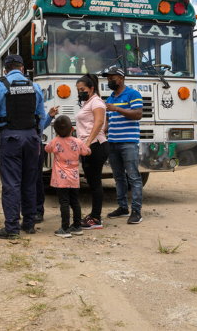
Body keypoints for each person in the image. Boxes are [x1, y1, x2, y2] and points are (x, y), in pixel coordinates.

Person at [0, 54, 46, 239]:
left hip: (10, 139)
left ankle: (11, 228)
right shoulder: (35, 87)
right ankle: (29, 223)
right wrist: (37, 137)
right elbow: (41, 116)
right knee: (30, 181)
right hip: (31, 139)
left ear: (5, 70)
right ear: (23, 69)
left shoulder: (0, 86)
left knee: (11, 183)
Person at [102, 66, 144, 224]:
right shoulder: (110, 98)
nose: (109, 81)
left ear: (121, 78)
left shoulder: (133, 94)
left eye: (112, 78)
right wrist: (101, 133)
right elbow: (108, 122)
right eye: (108, 79)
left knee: (133, 177)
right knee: (118, 177)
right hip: (112, 143)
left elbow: (138, 114)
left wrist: (117, 108)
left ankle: (136, 211)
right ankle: (122, 207)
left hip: (128, 142)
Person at [45, 115, 91, 238]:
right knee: (75, 202)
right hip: (74, 178)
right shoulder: (78, 142)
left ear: (55, 131)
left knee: (64, 203)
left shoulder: (55, 142)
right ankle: (77, 226)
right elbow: (87, 151)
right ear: (72, 129)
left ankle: (65, 228)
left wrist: (56, 138)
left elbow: (47, 148)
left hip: (60, 180)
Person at [72, 74, 108, 229]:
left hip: (95, 146)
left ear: (92, 88)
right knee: (92, 181)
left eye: (83, 89)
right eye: (78, 90)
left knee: (95, 182)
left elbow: (99, 122)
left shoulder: (96, 102)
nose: (80, 92)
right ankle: (94, 215)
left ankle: (96, 218)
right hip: (89, 146)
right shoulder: (88, 102)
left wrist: (87, 142)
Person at [34, 105, 60, 223]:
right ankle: (27, 211)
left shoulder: (35, 102)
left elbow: (41, 126)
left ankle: (38, 211)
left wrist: (49, 116)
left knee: (36, 180)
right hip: (23, 147)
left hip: (35, 147)